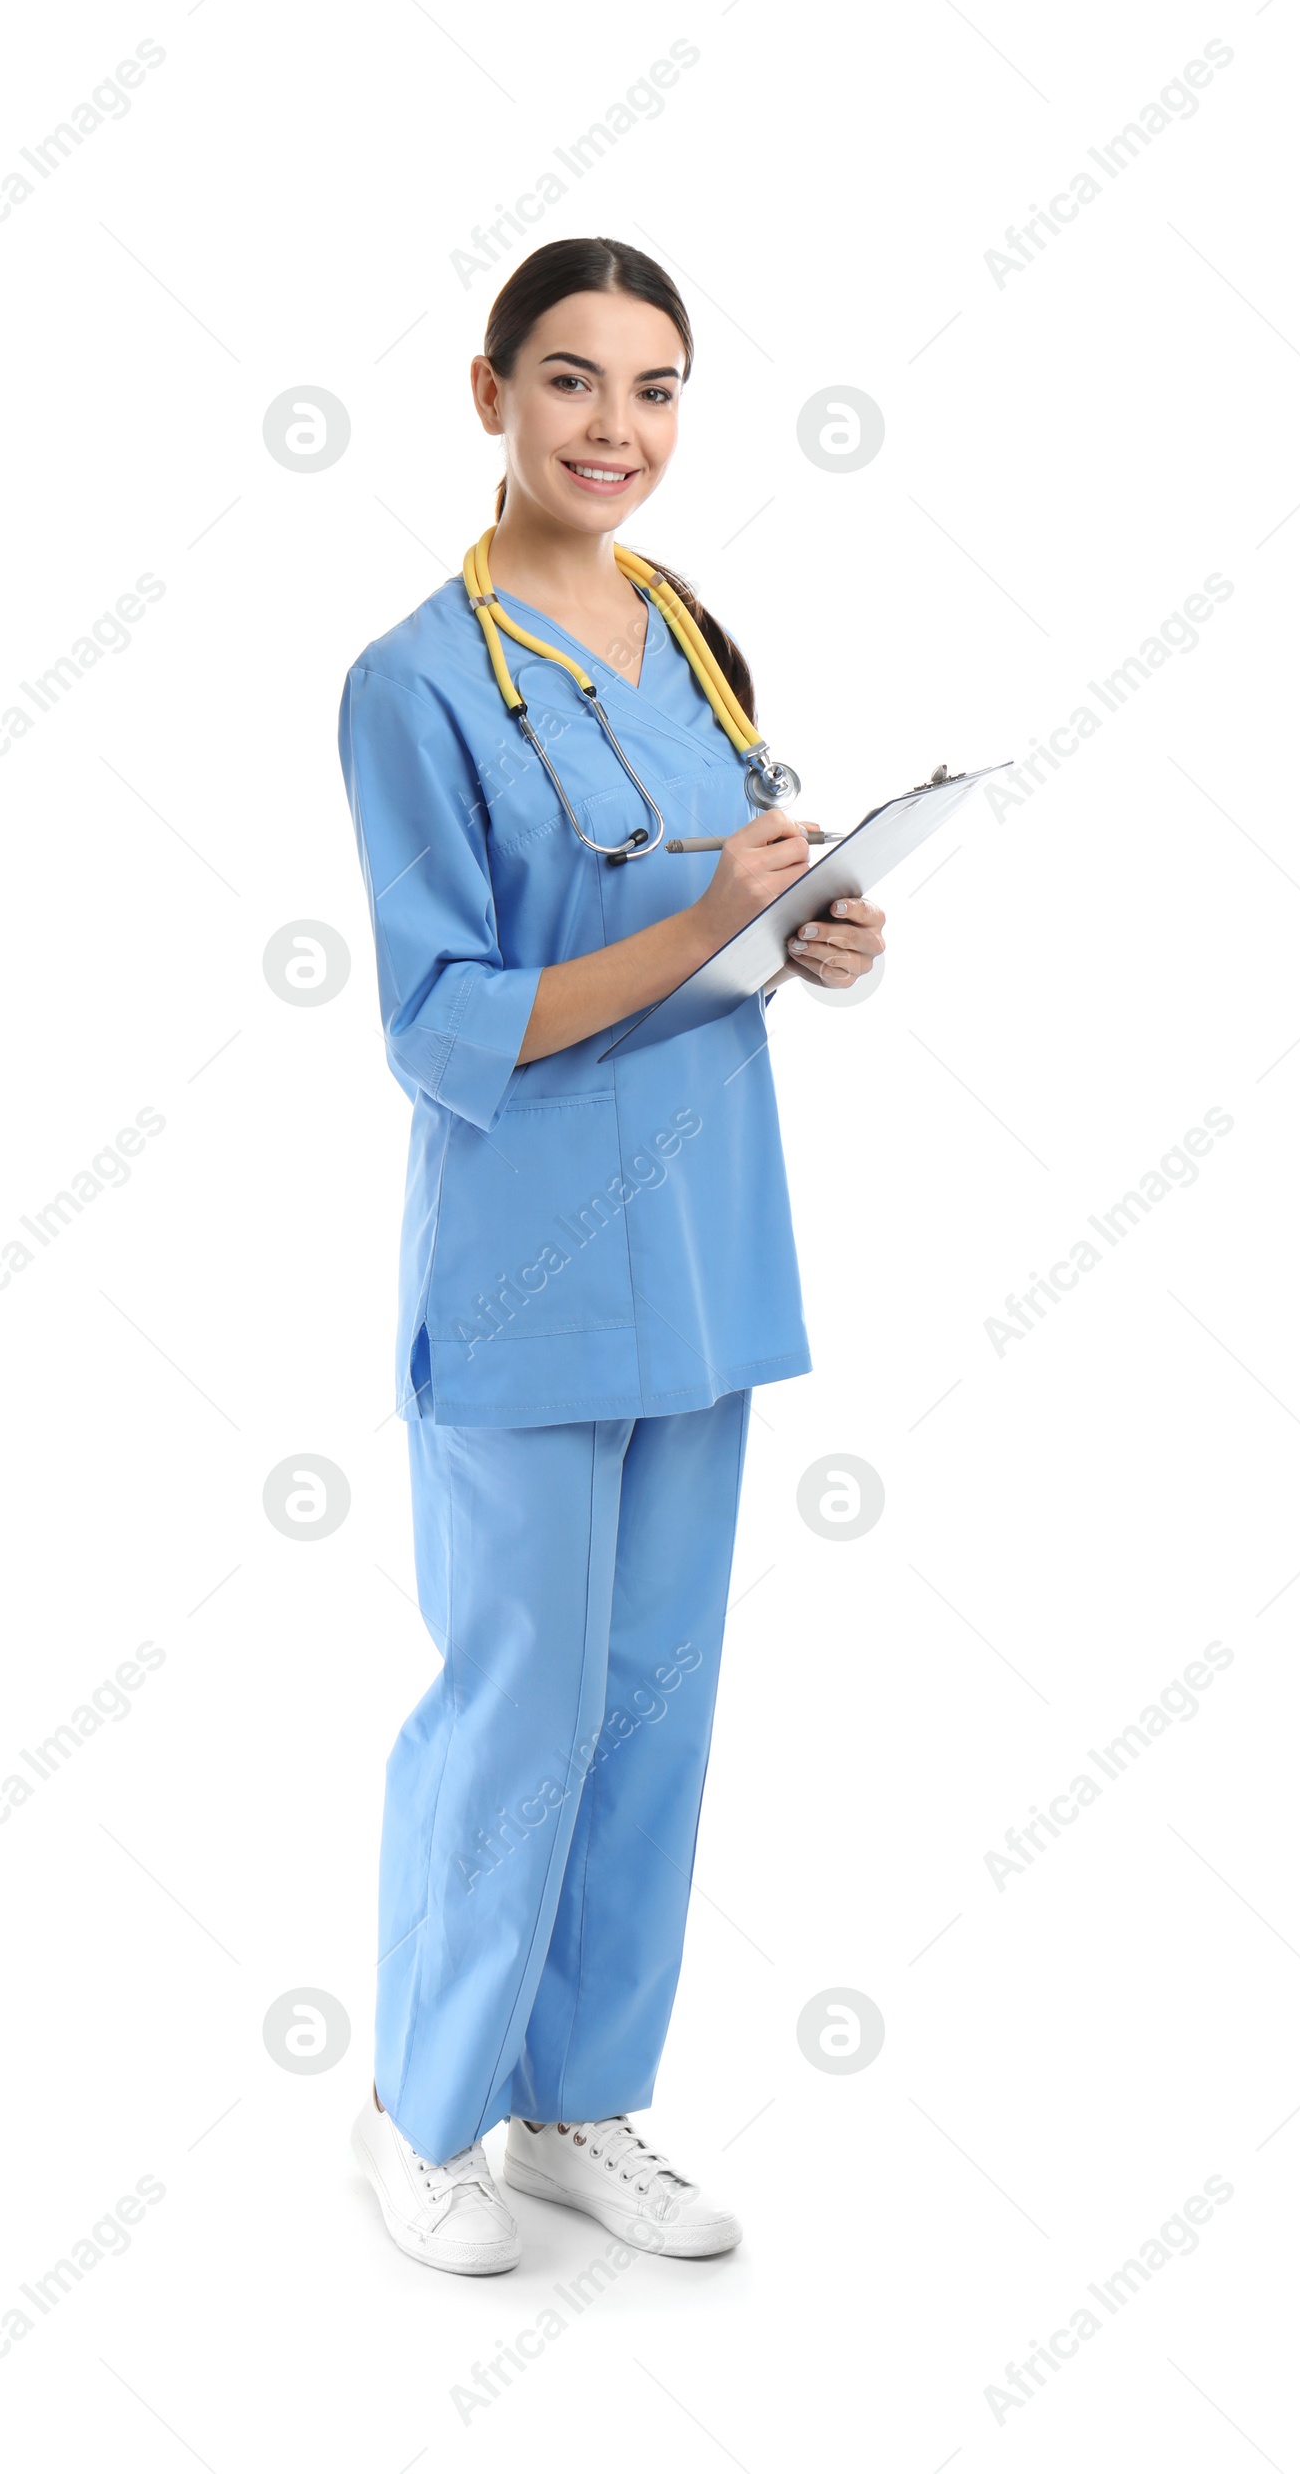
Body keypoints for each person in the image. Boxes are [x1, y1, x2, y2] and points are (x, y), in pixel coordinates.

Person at [338, 236, 885, 2274]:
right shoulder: (411, 681)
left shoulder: (687, 631)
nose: (614, 429)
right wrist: (687, 936)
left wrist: (815, 931)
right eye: (569, 381)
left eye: (653, 389)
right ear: (487, 394)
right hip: (525, 1263)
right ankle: (424, 2101)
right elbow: (439, 1017)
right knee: (516, 1703)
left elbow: (714, 901)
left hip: (703, 1233)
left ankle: (579, 2100)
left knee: (652, 1704)